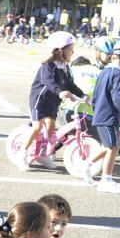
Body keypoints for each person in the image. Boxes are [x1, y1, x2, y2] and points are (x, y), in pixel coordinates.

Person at [18, 31, 86, 171]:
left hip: (53, 101)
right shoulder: (48, 65)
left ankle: (42, 154)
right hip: (40, 99)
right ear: (60, 50)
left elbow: (70, 85)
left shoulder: (65, 67)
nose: (72, 51)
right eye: (70, 48)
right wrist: (60, 91)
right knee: (37, 127)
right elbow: (48, 81)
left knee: (50, 127)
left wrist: (83, 95)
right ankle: (22, 154)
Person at [83, 39, 120, 192]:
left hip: (101, 114)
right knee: (113, 147)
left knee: (110, 146)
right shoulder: (118, 73)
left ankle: (87, 165)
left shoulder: (105, 71)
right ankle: (106, 180)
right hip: (109, 116)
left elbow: (96, 95)